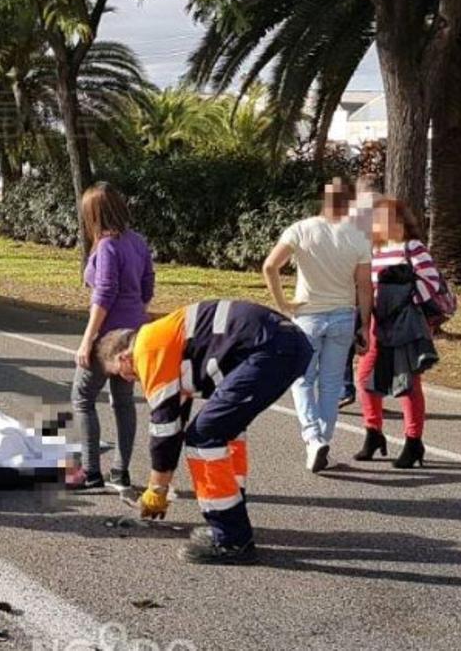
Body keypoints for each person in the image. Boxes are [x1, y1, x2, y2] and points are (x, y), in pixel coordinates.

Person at [96, 300, 313, 565]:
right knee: (225, 431)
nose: (130, 380)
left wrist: (157, 489)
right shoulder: (163, 338)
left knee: (205, 437)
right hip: (283, 344)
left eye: (122, 374)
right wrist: (161, 484)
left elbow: (164, 429)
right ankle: (231, 518)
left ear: (123, 357)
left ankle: (232, 539)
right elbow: (175, 421)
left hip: (270, 349)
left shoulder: (147, 349)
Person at [262, 177, 372, 474]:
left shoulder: (301, 229)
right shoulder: (359, 237)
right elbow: (364, 286)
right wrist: (365, 325)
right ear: (349, 204)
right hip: (343, 315)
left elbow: (270, 266)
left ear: (324, 200)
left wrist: (283, 304)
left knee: (302, 379)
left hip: (308, 314)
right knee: (332, 384)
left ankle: (312, 437)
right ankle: (322, 439)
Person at [70, 183, 155, 492]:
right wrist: (135, 316)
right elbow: (147, 288)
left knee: (82, 398)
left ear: (94, 214)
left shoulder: (107, 246)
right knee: (123, 402)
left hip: (109, 336)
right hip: (135, 333)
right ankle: (121, 471)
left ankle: (91, 472)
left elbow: (104, 294)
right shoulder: (138, 242)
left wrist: (88, 339)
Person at [355, 197, 442, 469]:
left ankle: (413, 441)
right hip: (378, 323)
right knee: (365, 378)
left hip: (405, 324)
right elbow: (366, 288)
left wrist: (406, 305)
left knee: (408, 383)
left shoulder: (413, 248)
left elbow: (432, 282)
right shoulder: (374, 250)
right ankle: (373, 433)